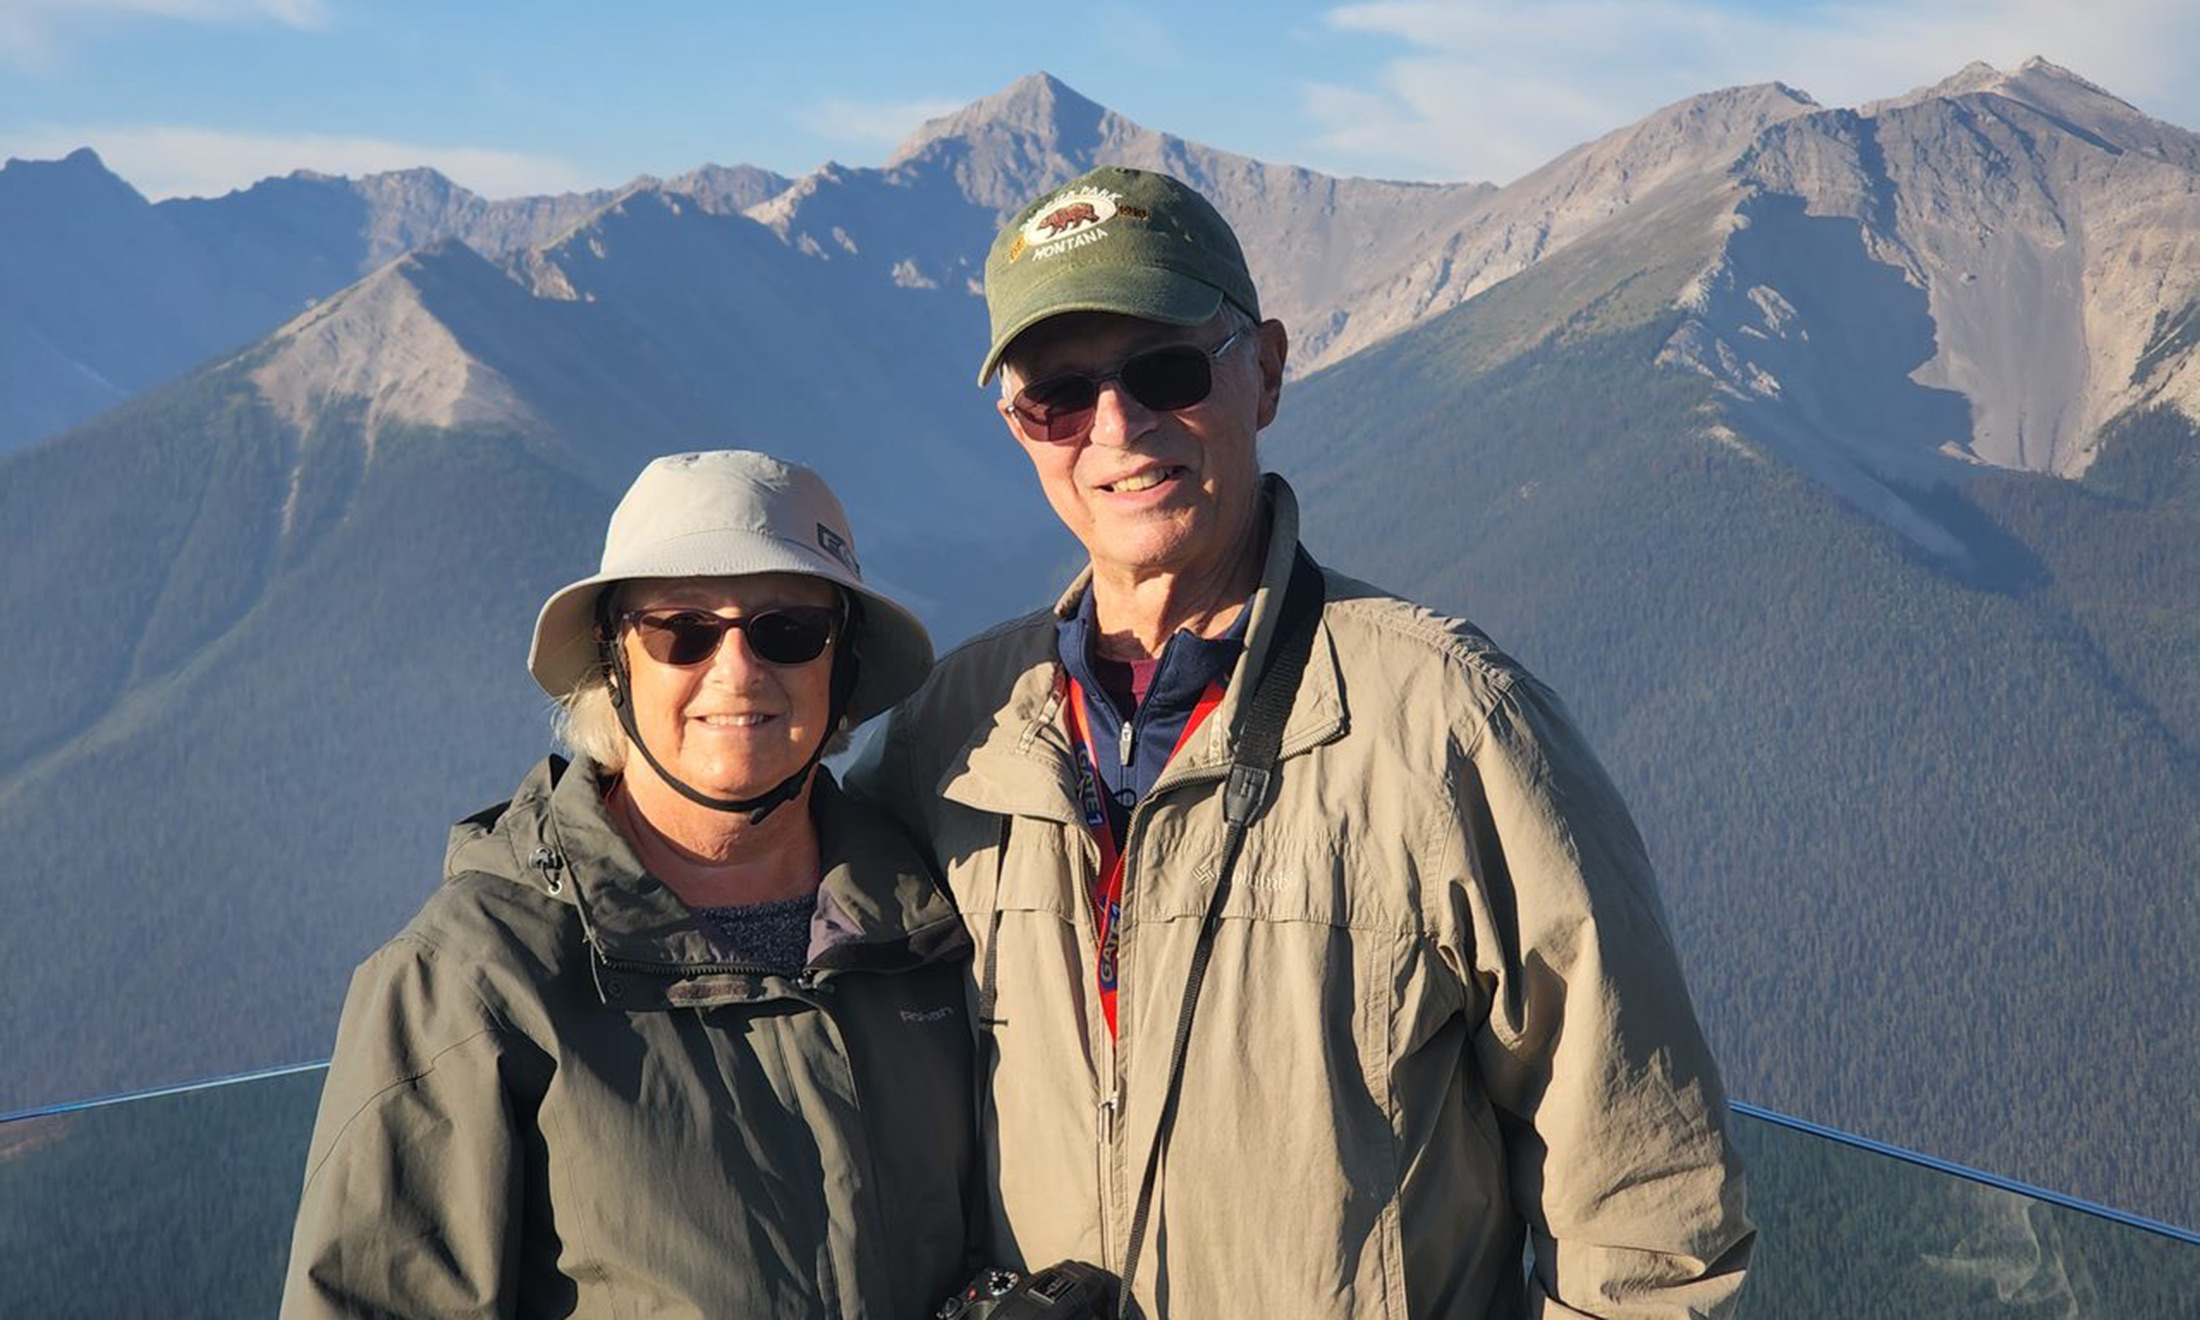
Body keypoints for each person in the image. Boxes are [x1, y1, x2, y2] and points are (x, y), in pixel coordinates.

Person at [850, 167, 1755, 1318]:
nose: (1114, 430)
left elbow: (1648, 1217)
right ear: (1017, 428)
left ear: (1264, 371)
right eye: (1060, 398)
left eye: (1166, 371)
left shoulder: (1450, 726)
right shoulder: (952, 736)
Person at [281, 450, 972, 1319]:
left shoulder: (934, 927)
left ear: (840, 666)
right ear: (615, 663)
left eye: (788, 632)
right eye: (682, 630)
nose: (738, 671)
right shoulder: (471, 980)